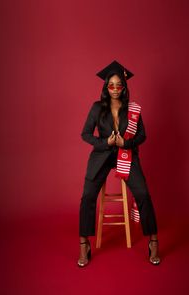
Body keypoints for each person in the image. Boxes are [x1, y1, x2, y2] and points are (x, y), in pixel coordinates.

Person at [77, 60, 161, 267]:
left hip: (126, 155)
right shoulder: (97, 108)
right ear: (106, 86)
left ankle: (153, 241)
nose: (115, 89)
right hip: (102, 156)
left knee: (143, 194)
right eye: (111, 85)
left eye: (119, 85)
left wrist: (127, 142)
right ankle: (83, 244)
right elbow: (85, 134)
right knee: (87, 196)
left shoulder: (132, 109)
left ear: (124, 87)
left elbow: (142, 135)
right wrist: (105, 142)